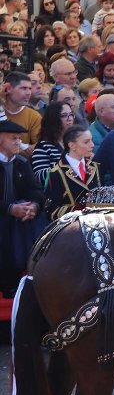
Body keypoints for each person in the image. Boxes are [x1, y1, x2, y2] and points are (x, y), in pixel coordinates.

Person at [0, 120, 44, 296]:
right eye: (13, 139)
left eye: (19, 138)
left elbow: (36, 190)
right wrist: (10, 209)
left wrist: (34, 206)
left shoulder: (21, 162)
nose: (18, 142)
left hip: (18, 222)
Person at [43, 124, 101, 219]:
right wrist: (81, 209)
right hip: (71, 228)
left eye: (91, 140)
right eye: (86, 142)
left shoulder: (95, 167)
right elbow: (51, 210)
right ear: (72, 145)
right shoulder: (56, 173)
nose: (92, 145)